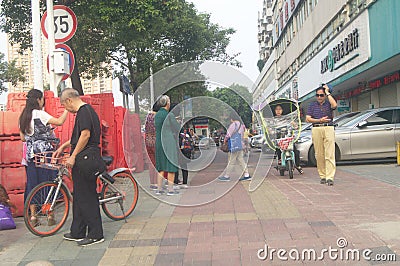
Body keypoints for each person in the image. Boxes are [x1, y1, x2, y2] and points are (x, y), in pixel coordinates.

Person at [54, 88, 106, 246]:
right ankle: (78, 231)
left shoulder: (84, 111)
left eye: (64, 105)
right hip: (84, 157)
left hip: (86, 158)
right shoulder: (85, 112)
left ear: (69, 100)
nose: (66, 109)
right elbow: (77, 138)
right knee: (79, 195)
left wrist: (73, 155)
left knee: (87, 196)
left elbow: (85, 135)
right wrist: (64, 146)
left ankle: (96, 233)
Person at [18, 89, 68, 226]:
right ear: (39, 100)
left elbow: (23, 138)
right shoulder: (40, 114)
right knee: (48, 183)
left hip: (30, 155)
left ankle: (33, 216)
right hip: (45, 154)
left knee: (33, 184)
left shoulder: (23, 116)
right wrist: (67, 110)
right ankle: (49, 214)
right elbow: (59, 122)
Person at [306, 84, 337, 186]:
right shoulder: (312, 105)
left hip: (328, 127)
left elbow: (335, 105)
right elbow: (308, 118)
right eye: (317, 95)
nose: (319, 97)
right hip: (316, 128)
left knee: (330, 153)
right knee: (319, 154)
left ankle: (330, 177)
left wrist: (328, 92)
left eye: (321, 95)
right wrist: (319, 120)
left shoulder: (328, 103)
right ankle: (323, 175)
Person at [154, 95, 181, 196]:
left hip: (159, 142)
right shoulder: (169, 115)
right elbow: (177, 128)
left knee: (161, 167)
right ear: (167, 103)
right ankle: (170, 190)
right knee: (171, 166)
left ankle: (159, 189)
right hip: (168, 142)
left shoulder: (156, 115)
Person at [218, 113, 251, 182]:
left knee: (231, 161)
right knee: (241, 160)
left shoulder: (233, 125)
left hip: (234, 145)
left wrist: (225, 140)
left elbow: (228, 134)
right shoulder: (242, 126)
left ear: (232, 119)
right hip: (240, 144)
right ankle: (247, 174)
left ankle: (227, 176)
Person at [273, 104, 303, 174]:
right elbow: (270, 127)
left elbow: (294, 125)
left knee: (295, 151)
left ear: (282, 110)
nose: (278, 111)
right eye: (276, 109)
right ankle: (280, 161)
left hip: (287, 138)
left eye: (280, 109)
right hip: (279, 139)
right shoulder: (273, 120)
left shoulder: (286, 119)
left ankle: (298, 165)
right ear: (274, 111)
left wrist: (295, 125)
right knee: (278, 150)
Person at [145, 101, 160, 191]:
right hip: (155, 142)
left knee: (151, 164)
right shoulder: (157, 117)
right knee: (158, 163)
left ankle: (152, 183)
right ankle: (158, 182)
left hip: (148, 142)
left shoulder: (148, 116)